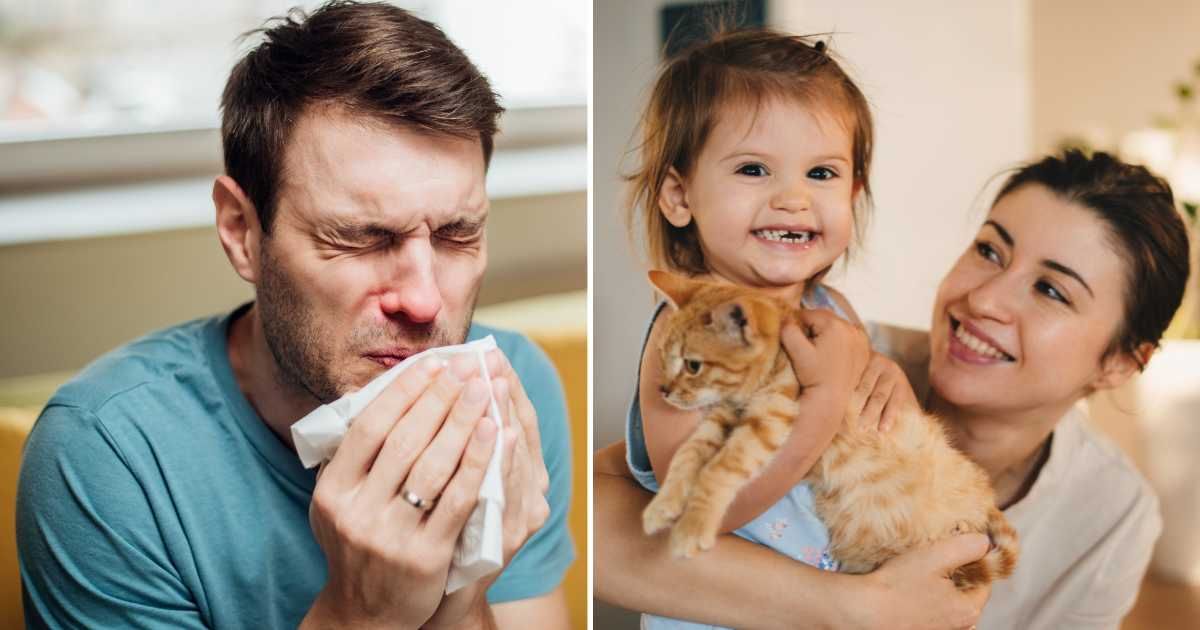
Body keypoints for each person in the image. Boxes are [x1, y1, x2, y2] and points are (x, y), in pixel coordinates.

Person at [16, 3, 575, 628]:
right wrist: (362, 613)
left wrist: (464, 587)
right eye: (361, 237)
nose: (423, 301)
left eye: (457, 233)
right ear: (241, 231)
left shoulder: (512, 388)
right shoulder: (108, 459)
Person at [597, 149, 1189, 629]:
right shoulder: (830, 350)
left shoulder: (1112, 516)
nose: (983, 300)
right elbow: (594, 513)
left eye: (1052, 291)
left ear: (1120, 363)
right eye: (989, 250)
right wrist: (849, 607)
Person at [612, 27, 991, 629]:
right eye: (755, 169)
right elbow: (707, 502)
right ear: (680, 196)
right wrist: (826, 397)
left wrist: (882, 376)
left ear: (855, 192)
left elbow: (861, 418)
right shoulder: (682, 331)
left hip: (834, 600)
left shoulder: (831, 306)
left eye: (821, 174)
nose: (793, 198)